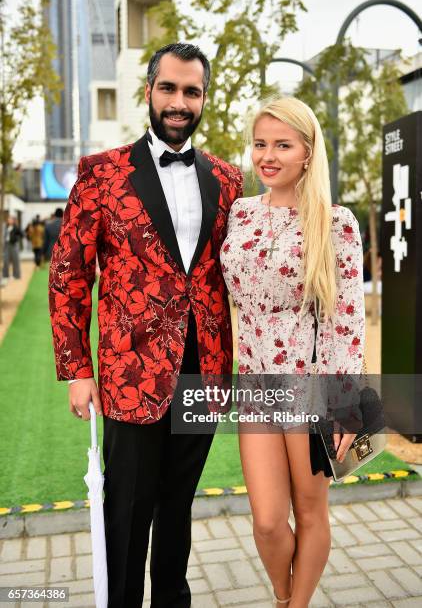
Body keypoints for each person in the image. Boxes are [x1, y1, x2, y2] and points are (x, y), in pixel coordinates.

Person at [49, 43, 242, 607]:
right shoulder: (101, 173)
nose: (180, 102)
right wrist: (77, 368)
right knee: (128, 506)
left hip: (203, 368)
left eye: (192, 91)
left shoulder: (228, 181)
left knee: (178, 503)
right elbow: (69, 273)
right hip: (130, 371)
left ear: (204, 97)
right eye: (169, 88)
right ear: (150, 91)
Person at [220, 96, 365, 607]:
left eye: (283, 144)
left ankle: (294, 605)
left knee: (310, 513)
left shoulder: (336, 222)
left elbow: (345, 318)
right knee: (265, 521)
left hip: (312, 391)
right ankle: (285, 596)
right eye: (260, 144)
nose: (268, 156)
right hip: (256, 388)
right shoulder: (239, 213)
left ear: (307, 151)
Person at [2, 215, 23, 280]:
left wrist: (16, 238)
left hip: (14, 245)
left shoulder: (16, 227)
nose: (9, 220)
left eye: (10, 219)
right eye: (8, 219)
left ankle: (16, 275)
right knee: (5, 260)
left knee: (15, 260)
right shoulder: (6, 226)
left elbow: (22, 234)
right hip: (7, 245)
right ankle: (5, 275)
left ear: (13, 220)